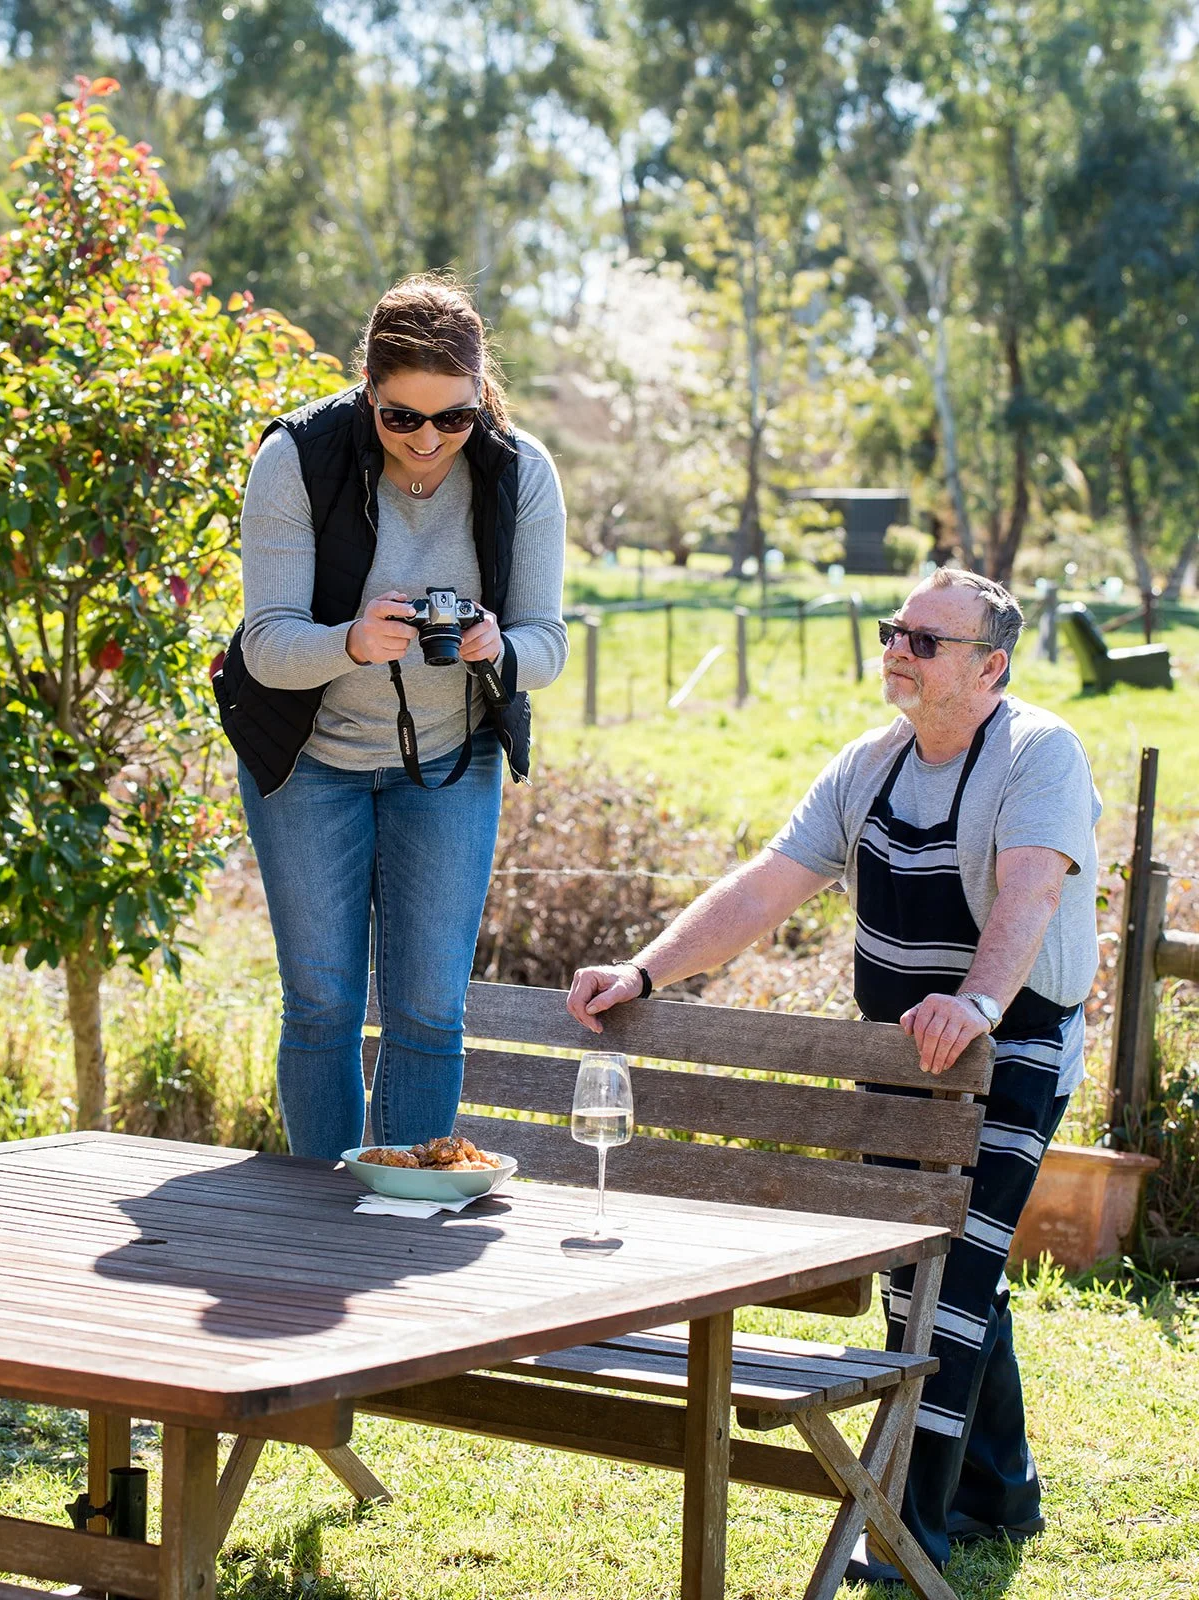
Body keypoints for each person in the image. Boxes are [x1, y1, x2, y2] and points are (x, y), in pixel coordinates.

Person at [567, 568, 1101, 1583]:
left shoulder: (1039, 753)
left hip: (1011, 1044)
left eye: (924, 639)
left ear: (989, 666)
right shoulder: (867, 763)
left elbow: (1027, 897)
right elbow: (766, 886)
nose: (896, 647)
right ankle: (1002, 1495)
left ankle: (908, 1529)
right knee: (931, 1274)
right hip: (895, 1055)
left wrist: (975, 1005)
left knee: (941, 1284)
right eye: (892, 629)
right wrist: (643, 969)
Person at [215, 274, 568, 1161]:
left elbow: (548, 640)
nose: (427, 439)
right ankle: (321, 1216)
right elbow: (267, 645)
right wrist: (355, 642)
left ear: (480, 396)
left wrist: (497, 647)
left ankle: (403, 1201)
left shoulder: (519, 470)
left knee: (426, 1006)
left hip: (450, 763)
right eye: (401, 416)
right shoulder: (297, 456)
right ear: (367, 389)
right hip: (308, 763)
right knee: (325, 1002)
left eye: (453, 418)